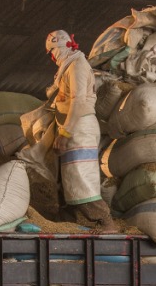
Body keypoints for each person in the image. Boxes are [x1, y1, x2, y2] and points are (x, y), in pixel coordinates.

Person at [45, 29, 116, 232]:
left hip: (80, 126)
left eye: (52, 53)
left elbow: (77, 101)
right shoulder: (69, 66)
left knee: (81, 176)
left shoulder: (76, 65)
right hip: (72, 126)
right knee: (69, 177)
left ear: (59, 48)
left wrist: (66, 132)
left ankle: (105, 221)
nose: (53, 58)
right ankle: (68, 218)